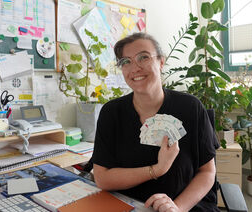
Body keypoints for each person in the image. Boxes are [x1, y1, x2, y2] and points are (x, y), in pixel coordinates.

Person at [91, 32, 220, 212]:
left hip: (186, 206)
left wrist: (176, 208)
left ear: (161, 62)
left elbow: (207, 172)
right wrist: (157, 169)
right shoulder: (111, 112)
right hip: (129, 204)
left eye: (143, 57)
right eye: (125, 62)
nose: (134, 67)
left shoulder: (191, 107)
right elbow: (102, 178)